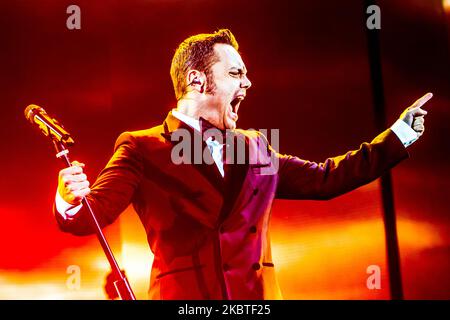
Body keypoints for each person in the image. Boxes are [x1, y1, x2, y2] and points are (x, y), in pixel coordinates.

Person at [54, 29, 432, 300]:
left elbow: (327, 179)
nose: (248, 83)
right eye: (236, 73)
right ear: (197, 80)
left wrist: (398, 136)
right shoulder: (141, 146)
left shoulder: (257, 147)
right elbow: (92, 214)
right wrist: (66, 197)